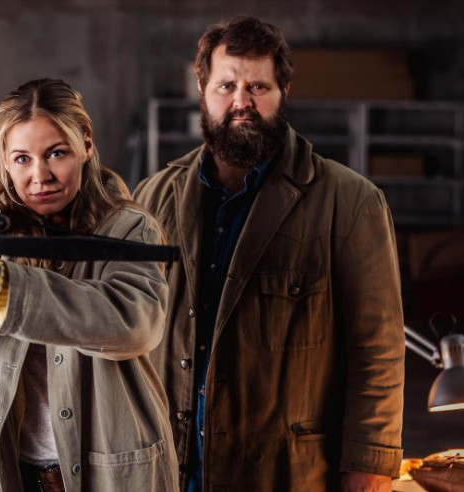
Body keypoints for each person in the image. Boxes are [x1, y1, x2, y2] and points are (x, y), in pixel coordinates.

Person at [134, 16, 405, 492]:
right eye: (226, 86)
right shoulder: (152, 198)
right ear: (203, 91)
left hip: (286, 472)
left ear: (284, 92)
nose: (242, 102)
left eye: (258, 86)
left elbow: (377, 350)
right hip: (171, 469)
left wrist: (369, 466)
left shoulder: (350, 201)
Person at [0, 78, 179, 492]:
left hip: (111, 474)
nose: (41, 176)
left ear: (85, 145)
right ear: (5, 161)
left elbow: (134, 325)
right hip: (16, 472)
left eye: (57, 153)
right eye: (22, 158)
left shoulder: (130, 228)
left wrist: (4, 295)